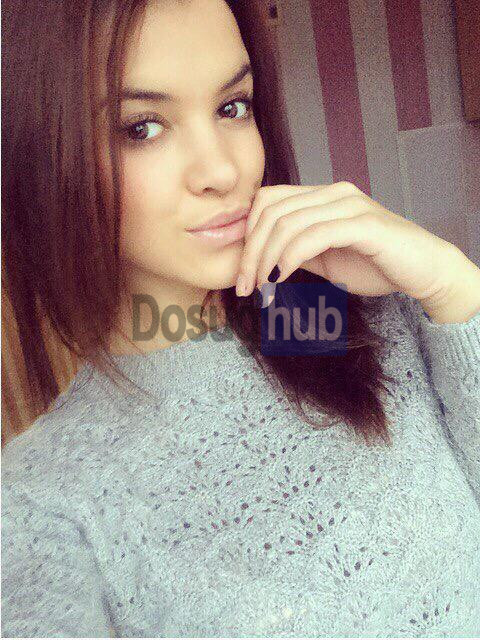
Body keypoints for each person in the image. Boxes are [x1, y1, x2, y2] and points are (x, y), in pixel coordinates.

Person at [2, 0, 479, 637]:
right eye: (142, 127)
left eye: (232, 107)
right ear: (44, 157)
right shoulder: (43, 503)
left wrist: (453, 285)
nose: (224, 172)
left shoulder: (352, 321)